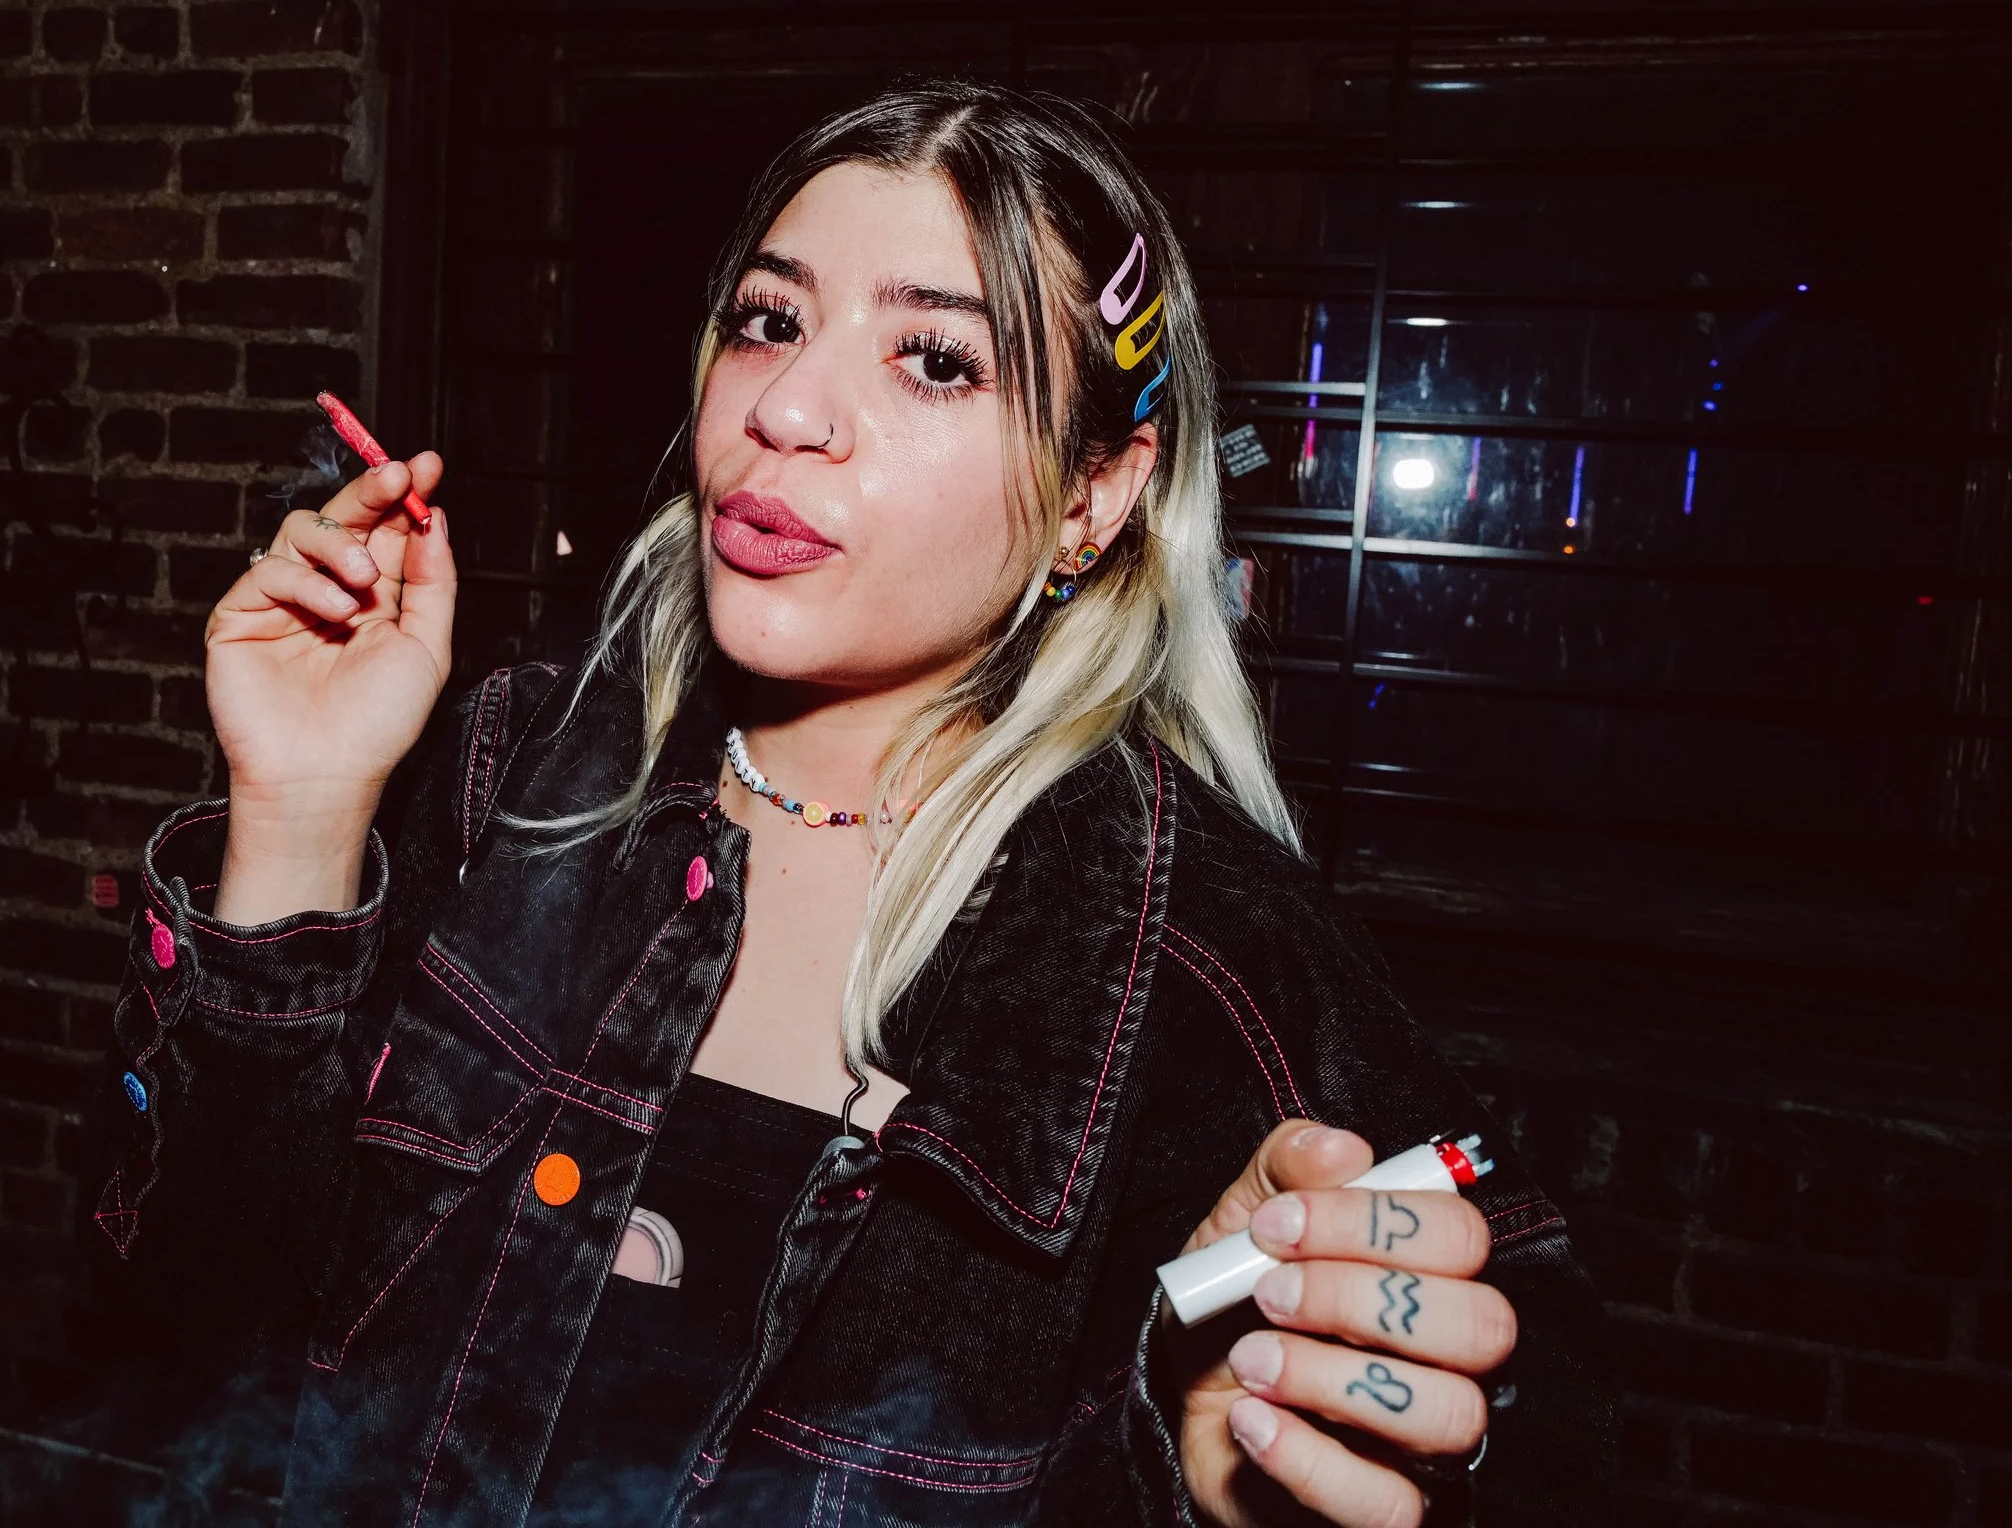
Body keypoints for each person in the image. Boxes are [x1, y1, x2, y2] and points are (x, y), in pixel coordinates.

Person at [83, 80, 1616, 1527]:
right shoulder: (505, 780)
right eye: (769, 321)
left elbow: (1522, 1413)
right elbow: (193, 1323)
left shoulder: (1201, 961)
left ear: (1093, 496)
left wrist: (1202, 1459)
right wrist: (297, 813)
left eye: (935, 358)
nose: (790, 406)